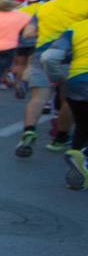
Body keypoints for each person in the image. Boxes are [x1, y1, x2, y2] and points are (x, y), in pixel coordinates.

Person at [12, 0, 88, 156]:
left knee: (38, 97)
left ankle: (28, 132)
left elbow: (28, 33)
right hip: (73, 56)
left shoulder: (46, 6)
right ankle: (60, 137)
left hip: (42, 52)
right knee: (69, 100)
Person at [41, 16, 88, 189]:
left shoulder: (76, 28)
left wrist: (57, 79)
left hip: (77, 80)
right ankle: (84, 156)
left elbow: (49, 57)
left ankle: (78, 163)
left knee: (82, 124)